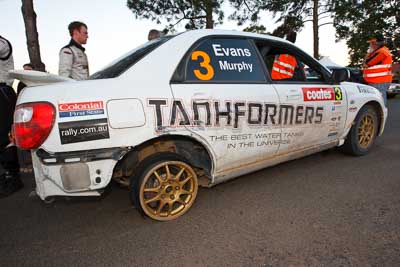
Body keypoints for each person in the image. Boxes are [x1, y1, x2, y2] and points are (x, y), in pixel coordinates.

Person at [0, 35, 23, 198]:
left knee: (5, 136)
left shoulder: (3, 43)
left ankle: (13, 177)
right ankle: (6, 174)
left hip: (2, 92)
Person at [363, 33, 392, 106]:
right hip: (376, 81)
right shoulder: (377, 52)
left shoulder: (382, 52)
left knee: (379, 104)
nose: (370, 45)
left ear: (375, 43)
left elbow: (367, 62)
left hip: (379, 82)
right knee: (377, 103)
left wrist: (368, 54)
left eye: (371, 43)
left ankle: (380, 117)